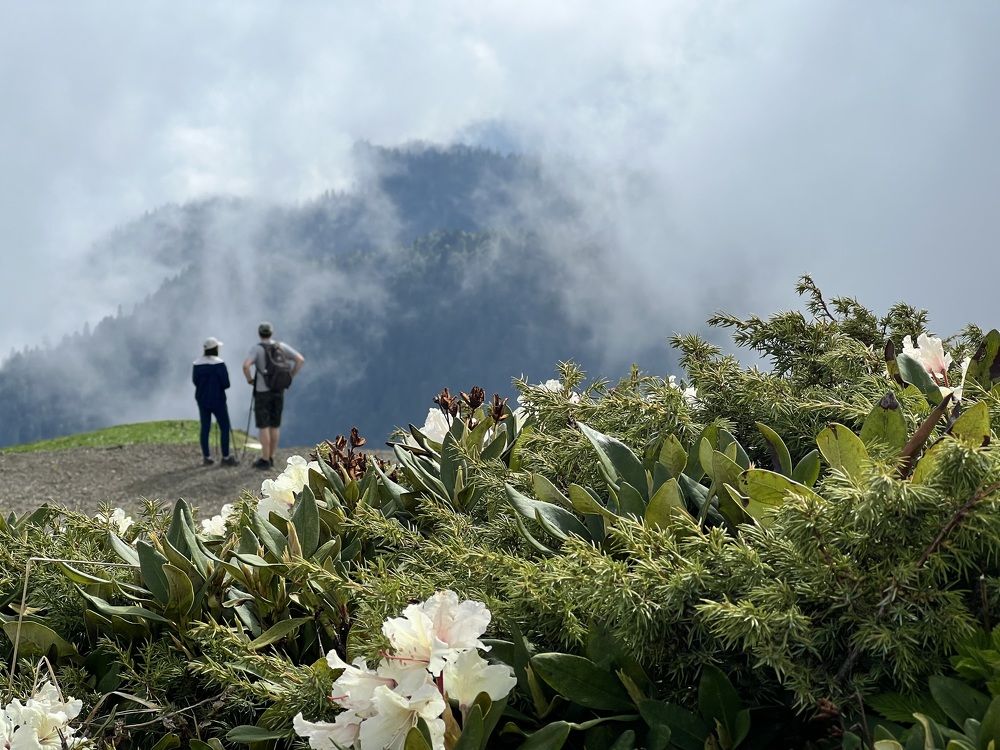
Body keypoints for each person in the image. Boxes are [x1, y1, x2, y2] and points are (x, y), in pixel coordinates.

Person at [242, 322, 305, 469]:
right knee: (275, 425)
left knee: (264, 425)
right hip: (278, 390)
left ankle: (265, 459)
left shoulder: (257, 349)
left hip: (262, 392)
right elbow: (300, 359)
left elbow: (246, 365)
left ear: (259, 333)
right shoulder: (280, 346)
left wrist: (250, 379)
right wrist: (290, 376)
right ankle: (271, 456)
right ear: (271, 333)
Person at [192, 336, 237, 466]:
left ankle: (207, 456)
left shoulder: (197, 364)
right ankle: (226, 457)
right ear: (215, 349)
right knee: (224, 427)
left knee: (205, 428)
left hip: (202, 399)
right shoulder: (219, 364)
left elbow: (195, 381)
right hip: (218, 400)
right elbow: (226, 384)